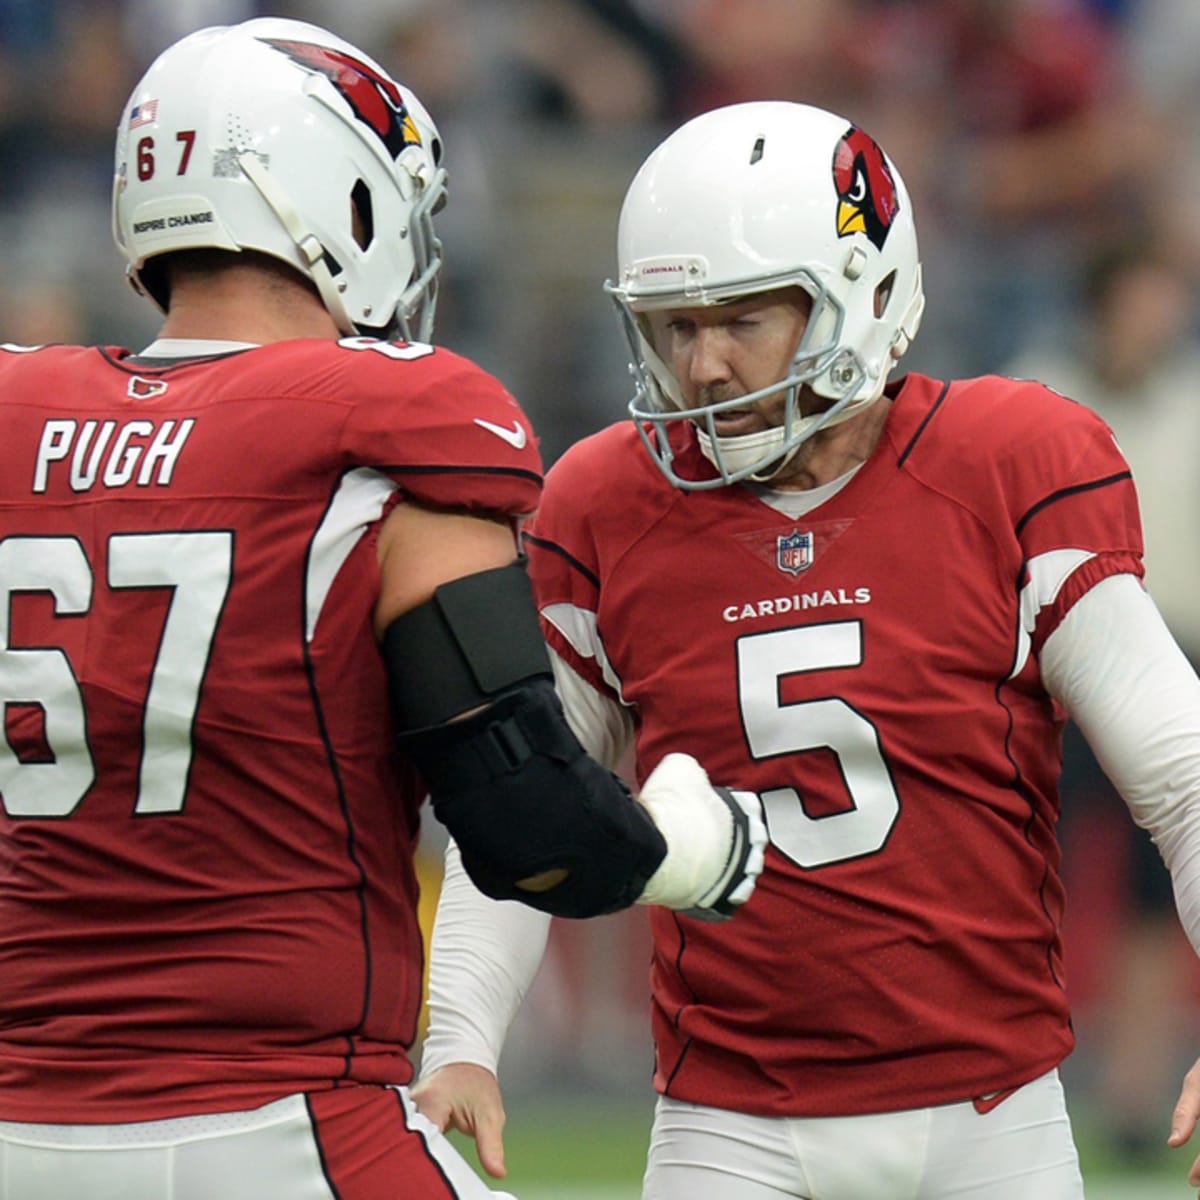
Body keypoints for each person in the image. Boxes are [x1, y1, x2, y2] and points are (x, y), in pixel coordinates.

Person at [0, 20, 765, 1200]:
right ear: (340, 196)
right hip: (277, 1121)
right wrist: (688, 849)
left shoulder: (16, 413)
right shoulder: (384, 422)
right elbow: (531, 825)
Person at [413, 100, 1200, 1198]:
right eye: (675, 326)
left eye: (743, 318)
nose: (703, 365)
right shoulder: (604, 503)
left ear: (864, 299)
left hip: (991, 1114)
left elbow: (1181, 770)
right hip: (730, 1124)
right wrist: (460, 1035)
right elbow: (524, 815)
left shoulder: (1008, 462)